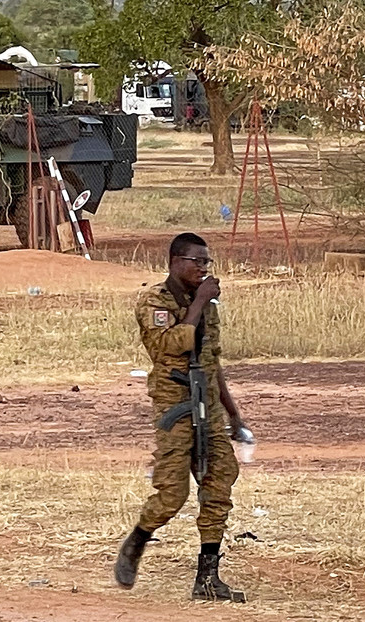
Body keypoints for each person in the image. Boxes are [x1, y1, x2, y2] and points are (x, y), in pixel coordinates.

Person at [114, 232, 248, 602]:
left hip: (208, 404)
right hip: (175, 404)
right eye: (197, 261)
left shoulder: (207, 307)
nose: (203, 268)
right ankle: (137, 541)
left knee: (219, 480)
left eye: (207, 262)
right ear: (175, 261)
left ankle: (207, 576)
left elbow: (211, 359)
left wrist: (233, 413)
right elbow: (169, 345)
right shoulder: (154, 301)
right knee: (173, 492)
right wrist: (200, 302)